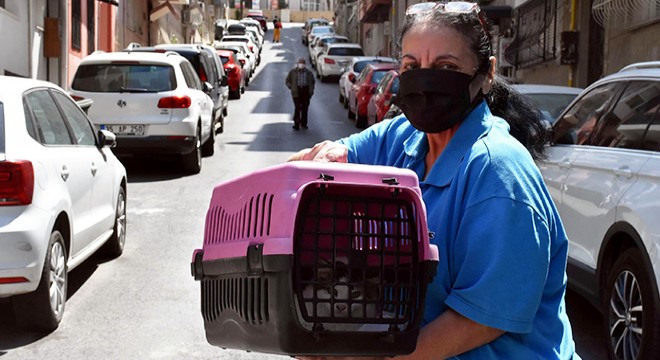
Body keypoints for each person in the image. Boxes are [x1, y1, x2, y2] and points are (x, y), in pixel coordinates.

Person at [290, 2, 578, 359]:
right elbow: (340, 154)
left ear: (486, 74)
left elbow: (481, 319)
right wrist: (327, 154)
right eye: (412, 66)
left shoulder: (498, 173)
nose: (425, 81)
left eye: (446, 67)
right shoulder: (406, 139)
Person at [285, 57, 315, 130]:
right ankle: (296, 124)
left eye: (303, 63)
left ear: (305, 64)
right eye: (300, 63)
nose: (301, 65)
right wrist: (291, 87)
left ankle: (304, 123)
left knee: (305, 108)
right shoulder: (293, 72)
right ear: (297, 64)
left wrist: (311, 91)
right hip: (296, 91)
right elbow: (288, 81)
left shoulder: (309, 73)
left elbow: (312, 82)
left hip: (305, 91)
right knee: (297, 107)